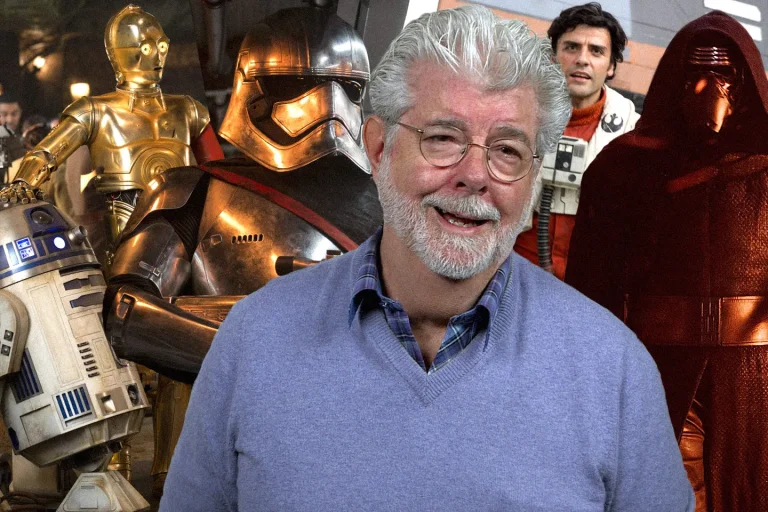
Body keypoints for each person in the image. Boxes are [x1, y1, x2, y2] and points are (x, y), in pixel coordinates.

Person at [159, 6, 694, 510]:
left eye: (508, 150)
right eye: (442, 138)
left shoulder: (615, 373)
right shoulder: (254, 340)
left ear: (534, 178)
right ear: (377, 148)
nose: (475, 175)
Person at [103, 1, 382, 497]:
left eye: (348, 87)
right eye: (295, 85)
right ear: (253, 90)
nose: (327, 105)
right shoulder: (194, 189)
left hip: (357, 435)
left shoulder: (388, 197)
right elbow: (127, 310)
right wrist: (264, 349)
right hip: (219, 434)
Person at [566, 11, 768, 512]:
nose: (709, 86)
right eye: (698, 69)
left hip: (755, 378)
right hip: (654, 367)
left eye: (723, 72)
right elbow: (592, 293)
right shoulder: (623, 168)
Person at [514, 2, 639, 279]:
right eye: (571, 47)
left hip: (592, 283)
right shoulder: (512, 117)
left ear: (611, 66)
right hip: (513, 273)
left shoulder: (634, 134)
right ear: (552, 57)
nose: (582, 59)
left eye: (596, 51)